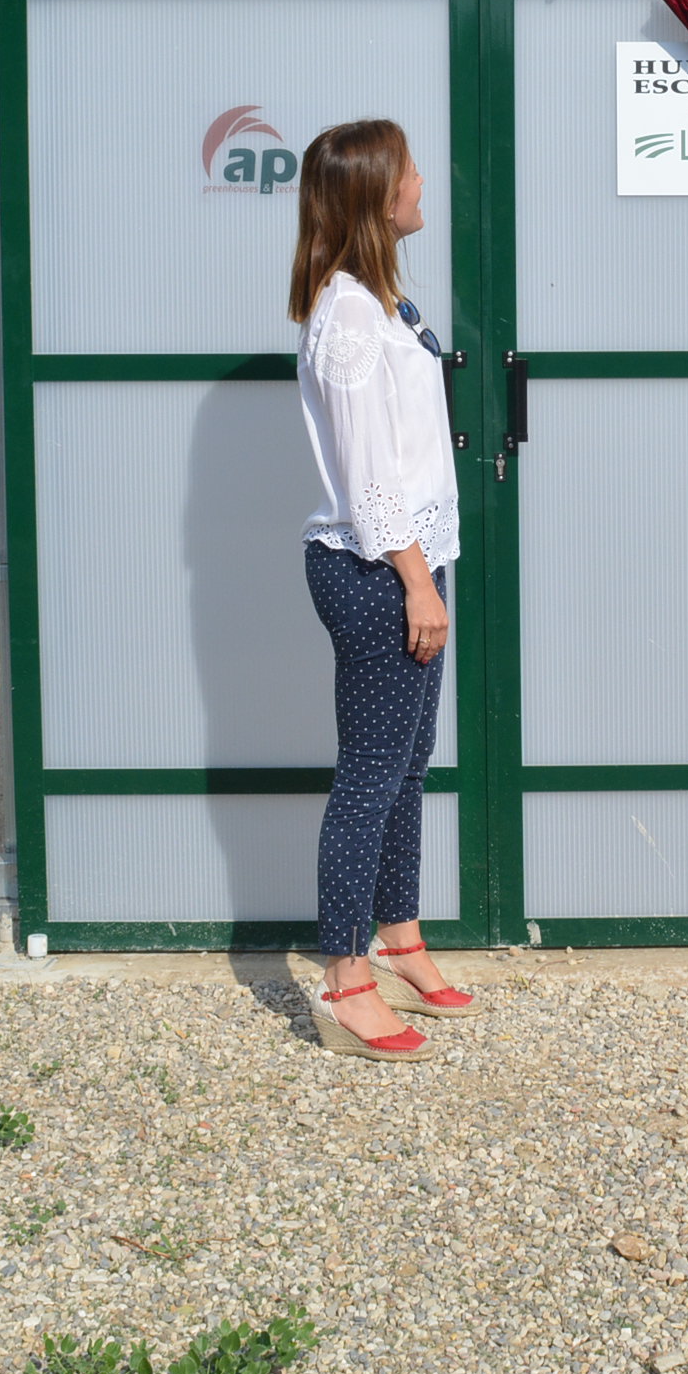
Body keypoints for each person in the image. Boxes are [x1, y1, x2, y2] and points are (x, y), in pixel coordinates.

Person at [288, 119, 477, 1063]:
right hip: (376, 573)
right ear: (373, 196)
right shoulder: (350, 321)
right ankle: (346, 980)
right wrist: (415, 585)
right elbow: (369, 480)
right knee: (368, 778)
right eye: (406, 171)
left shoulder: (378, 300)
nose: (418, 182)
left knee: (406, 769)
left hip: (410, 565)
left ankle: (399, 940)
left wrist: (427, 574)